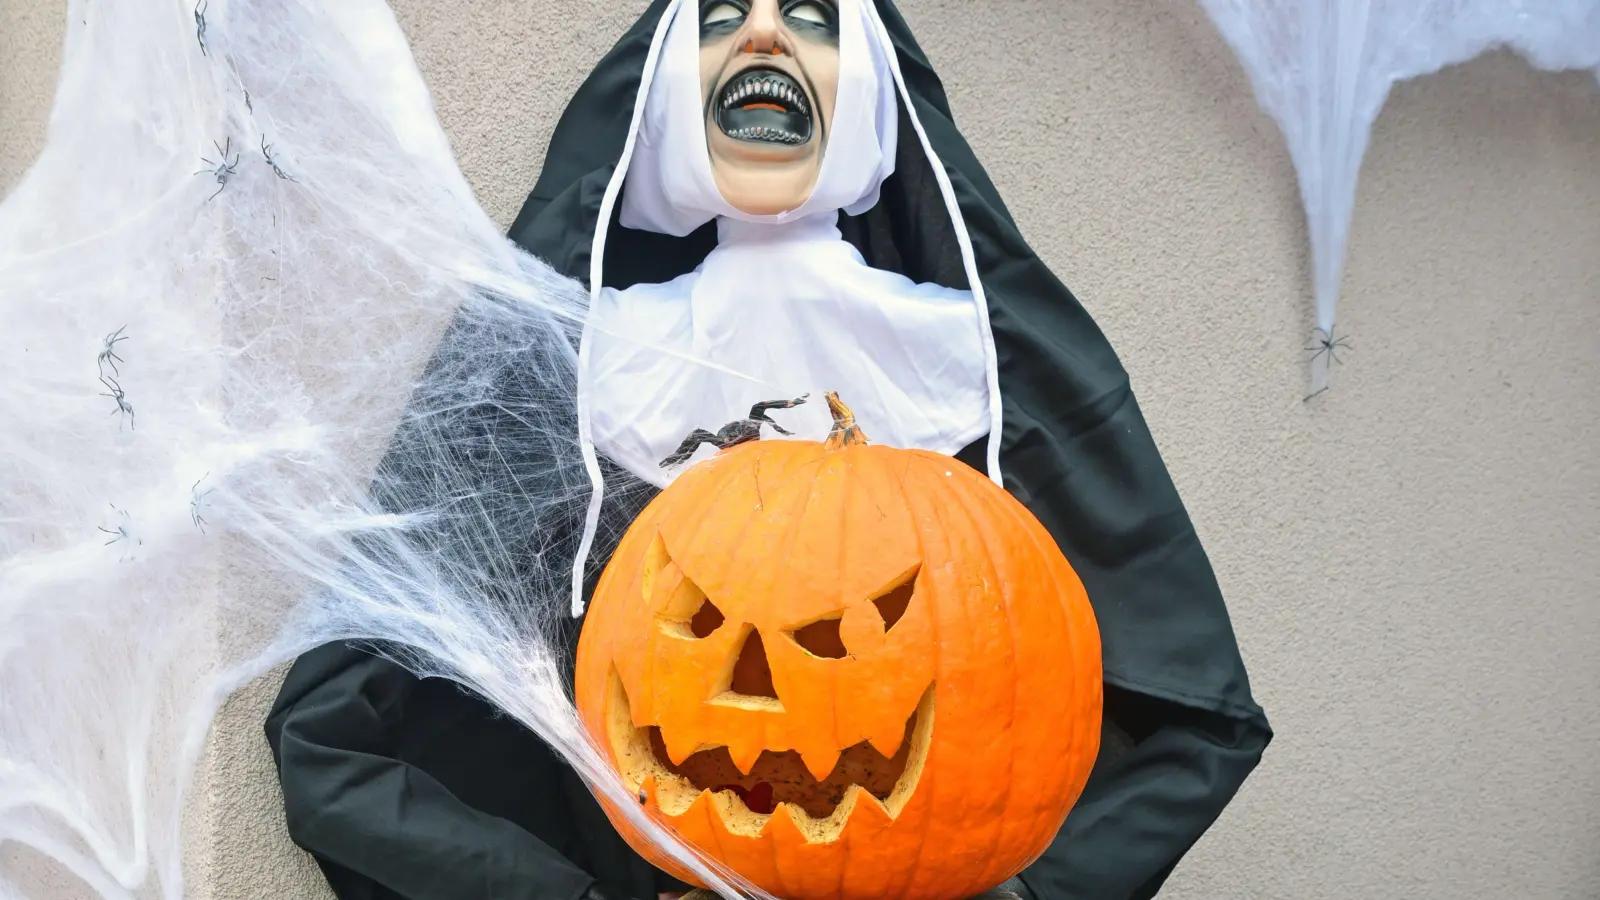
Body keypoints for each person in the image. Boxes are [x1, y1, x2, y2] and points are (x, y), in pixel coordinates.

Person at [266, 1, 1272, 898]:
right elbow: (330, 737)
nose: (760, 38)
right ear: (661, 97)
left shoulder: (975, 370)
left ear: (871, 90)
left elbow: (1200, 719)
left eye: (813, 17)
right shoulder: (573, 373)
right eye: (715, 21)